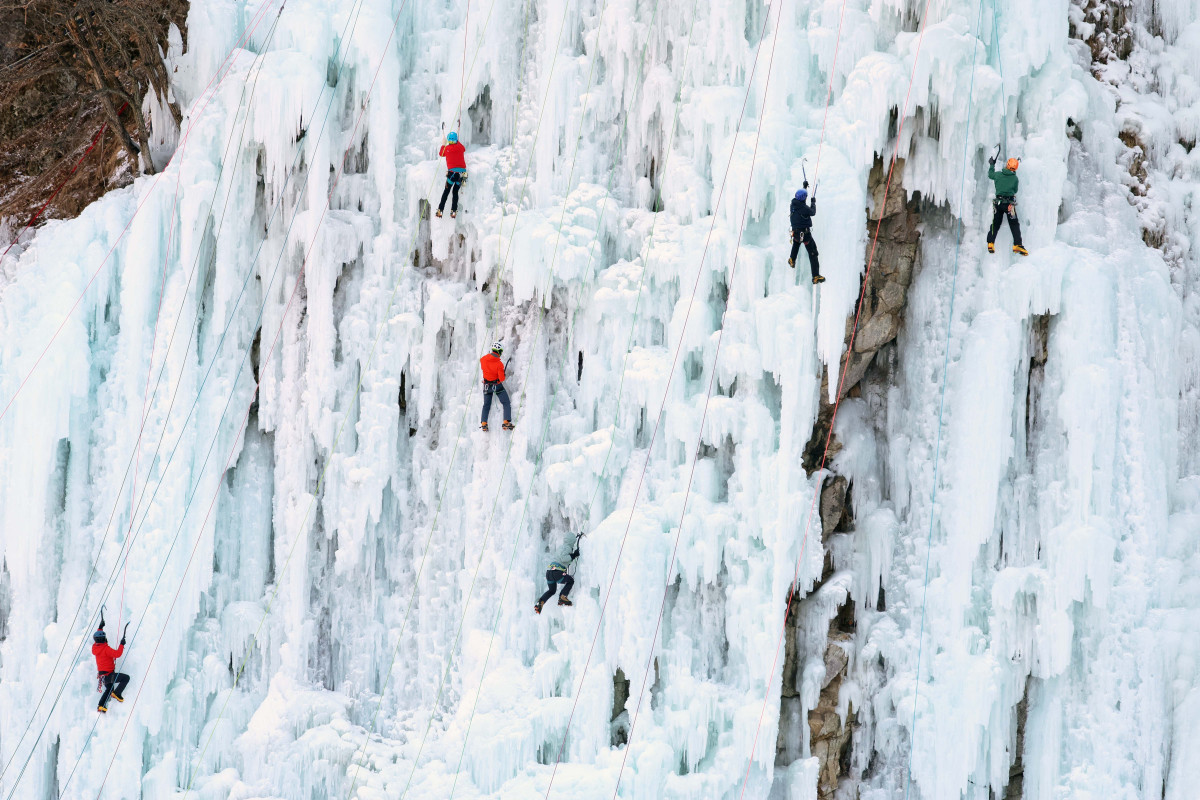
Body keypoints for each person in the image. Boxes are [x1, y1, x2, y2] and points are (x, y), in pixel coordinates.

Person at [986, 156, 1028, 255]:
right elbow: (1015, 190)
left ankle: (991, 243)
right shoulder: (1015, 178)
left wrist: (992, 164)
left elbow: (990, 174)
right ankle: (1017, 244)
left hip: (998, 204)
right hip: (1009, 205)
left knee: (995, 224)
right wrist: (1013, 175)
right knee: (1014, 224)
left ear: (1007, 165)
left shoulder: (998, 175)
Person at [789, 183, 823, 284]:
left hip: (796, 232)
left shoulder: (793, 204)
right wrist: (813, 202)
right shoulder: (804, 208)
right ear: (804, 199)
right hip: (805, 234)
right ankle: (816, 276)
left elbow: (801, 199)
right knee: (813, 253)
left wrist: (804, 187)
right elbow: (812, 212)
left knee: (796, 243)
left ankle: (792, 259)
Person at [535, 538, 580, 613]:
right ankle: (563, 596)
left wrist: (572, 555)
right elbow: (564, 558)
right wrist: (574, 555)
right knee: (570, 581)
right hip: (557, 572)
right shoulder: (567, 547)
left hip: (549, 573)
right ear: (571, 542)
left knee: (551, 591)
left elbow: (561, 557)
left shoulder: (561, 548)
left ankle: (541, 602)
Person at [92, 623, 130, 713]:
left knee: (109, 689)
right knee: (126, 678)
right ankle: (117, 693)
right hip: (109, 675)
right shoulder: (106, 649)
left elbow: (98, 637)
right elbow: (117, 654)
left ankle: (101, 705)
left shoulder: (95, 647)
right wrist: (121, 644)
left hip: (103, 676)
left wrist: (100, 628)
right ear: (104, 639)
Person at [480, 341, 514, 431]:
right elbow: (502, 379)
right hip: (497, 386)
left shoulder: (483, 359)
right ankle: (506, 422)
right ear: (499, 352)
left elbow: (484, 367)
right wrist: (503, 373)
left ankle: (484, 423)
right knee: (506, 402)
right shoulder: (499, 364)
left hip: (486, 385)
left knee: (486, 405)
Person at [436, 131, 467, 218]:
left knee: (446, 192)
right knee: (455, 192)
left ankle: (440, 211)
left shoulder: (447, 148)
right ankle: (453, 211)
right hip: (462, 174)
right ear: (456, 140)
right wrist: (457, 141)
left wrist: (443, 144)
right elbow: (463, 148)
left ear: (449, 140)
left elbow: (441, 154)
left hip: (452, 173)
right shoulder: (460, 147)